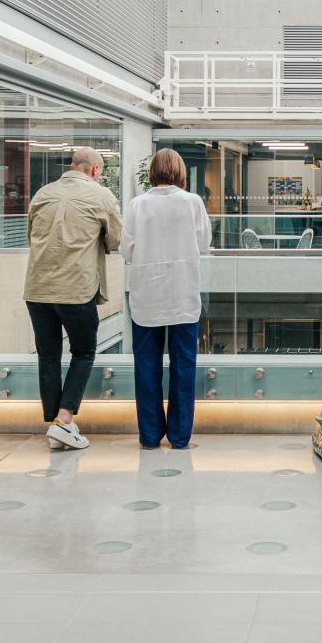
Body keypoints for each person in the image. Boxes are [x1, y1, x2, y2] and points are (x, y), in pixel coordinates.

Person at [23, 145, 121, 451]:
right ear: (94, 170)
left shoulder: (42, 193)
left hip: (37, 289)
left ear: (71, 165)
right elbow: (116, 239)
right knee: (84, 352)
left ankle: (56, 425)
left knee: (48, 356)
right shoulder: (101, 195)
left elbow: (31, 235)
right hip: (75, 290)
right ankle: (64, 420)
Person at [122, 148, 211, 449]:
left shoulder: (138, 204)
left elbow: (127, 251)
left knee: (146, 367)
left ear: (153, 172)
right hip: (183, 294)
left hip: (147, 296)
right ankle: (180, 436)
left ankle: (149, 436)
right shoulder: (193, 202)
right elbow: (204, 243)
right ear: (180, 172)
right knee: (183, 367)